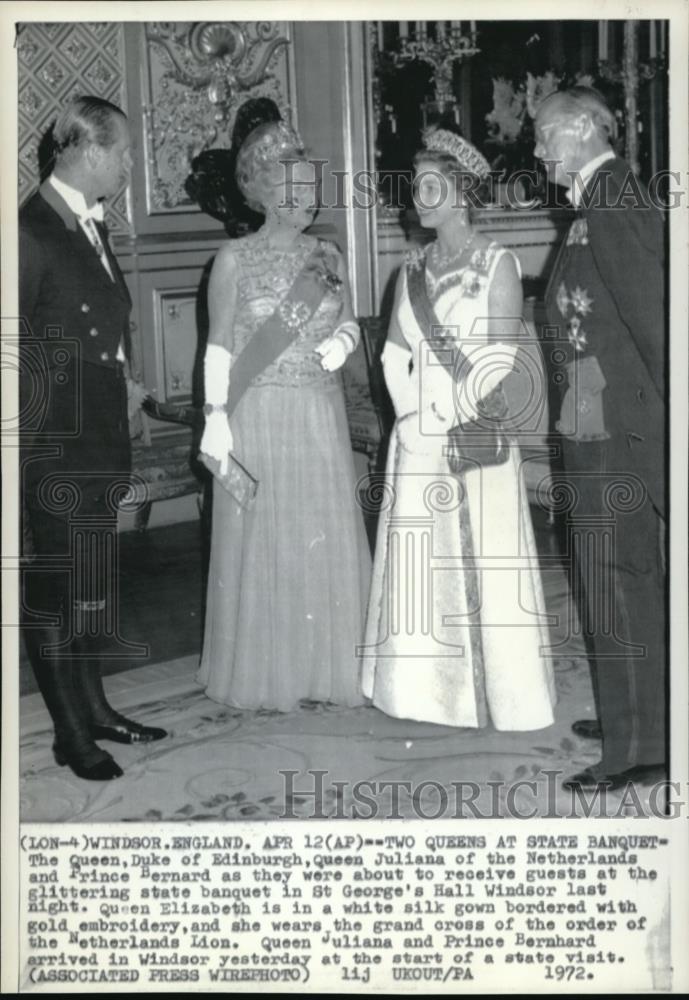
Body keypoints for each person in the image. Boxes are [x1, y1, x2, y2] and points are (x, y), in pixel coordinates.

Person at [362, 128, 556, 731]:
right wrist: (412, 416)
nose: (418, 197)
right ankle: (419, 691)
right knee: (420, 564)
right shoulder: (411, 268)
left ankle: (499, 696)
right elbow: (394, 354)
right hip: (418, 435)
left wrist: (451, 415)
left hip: (472, 432)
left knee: (483, 564)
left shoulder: (499, 263)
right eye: (415, 185)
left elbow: (498, 359)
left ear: (462, 191)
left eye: (430, 184)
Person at [196, 100, 371, 711]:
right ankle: (273, 670)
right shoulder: (233, 260)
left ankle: (326, 668)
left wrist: (342, 343)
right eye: (296, 186)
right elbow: (218, 346)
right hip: (260, 414)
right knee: (269, 539)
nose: (308, 197)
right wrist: (215, 417)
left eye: (312, 185)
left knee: (319, 534)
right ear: (265, 191)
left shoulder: (328, 256)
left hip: (319, 411)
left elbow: (350, 325)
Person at [19, 96, 166, 781]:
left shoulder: (86, 224)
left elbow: (92, 330)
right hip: (56, 444)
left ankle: (98, 709)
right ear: (90, 152)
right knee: (56, 589)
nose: (130, 164)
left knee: (93, 586)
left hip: (99, 435)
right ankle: (70, 736)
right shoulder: (29, 229)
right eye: (126, 152)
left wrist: (120, 384)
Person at [535, 87, 666, 791]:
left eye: (544, 134)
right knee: (613, 582)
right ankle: (639, 719)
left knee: (616, 583)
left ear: (584, 128)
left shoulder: (612, 196)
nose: (536, 150)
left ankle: (638, 749)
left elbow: (655, 321)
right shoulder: (596, 200)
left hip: (618, 431)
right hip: (594, 421)